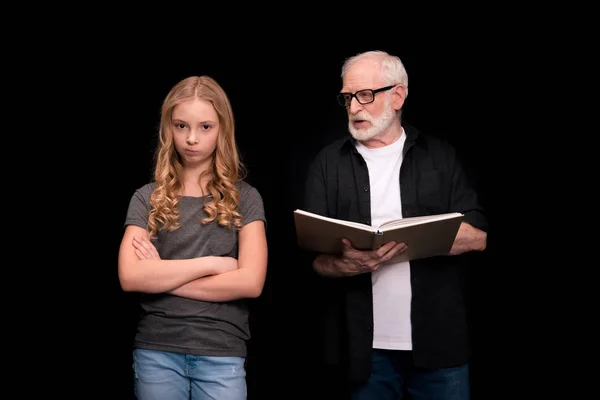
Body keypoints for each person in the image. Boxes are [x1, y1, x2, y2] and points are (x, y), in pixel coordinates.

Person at [301, 50, 488, 399]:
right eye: (347, 97)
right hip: (361, 353)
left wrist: (416, 238)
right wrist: (342, 265)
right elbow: (310, 261)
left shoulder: (440, 156)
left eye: (365, 95)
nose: (354, 107)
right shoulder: (328, 163)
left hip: (439, 346)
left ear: (397, 95)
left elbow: (478, 237)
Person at [118, 75, 268, 400]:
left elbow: (251, 282)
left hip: (222, 351)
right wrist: (216, 264)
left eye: (205, 127)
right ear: (168, 128)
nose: (191, 139)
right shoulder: (147, 198)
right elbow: (130, 277)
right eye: (181, 126)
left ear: (222, 129)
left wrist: (160, 277)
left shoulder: (247, 198)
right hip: (157, 349)